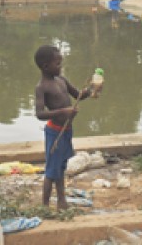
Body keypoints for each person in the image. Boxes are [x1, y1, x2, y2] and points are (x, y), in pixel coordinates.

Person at [34, 45, 89, 210]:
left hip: (66, 131)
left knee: (61, 166)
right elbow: (39, 113)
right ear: (45, 66)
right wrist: (64, 111)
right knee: (51, 171)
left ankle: (61, 201)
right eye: (57, 64)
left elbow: (77, 94)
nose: (61, 67)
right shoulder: (42, 87)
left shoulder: (62, 80)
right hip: (54, 133)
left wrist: (91, 90)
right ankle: (44, 205)